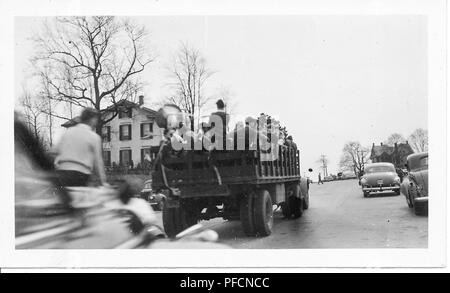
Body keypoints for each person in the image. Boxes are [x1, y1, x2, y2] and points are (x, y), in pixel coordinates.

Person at [53, 108, 108, 201]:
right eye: (96, 120)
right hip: (80, 175)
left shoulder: (68, 132)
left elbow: (54, 152)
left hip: (62, 173)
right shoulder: (94, 137)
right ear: (92, 119)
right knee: (81, 202)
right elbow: (98, 162)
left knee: (65, 202)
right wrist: (103, 182)